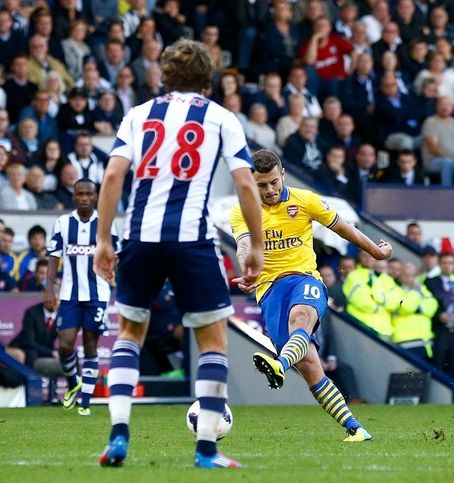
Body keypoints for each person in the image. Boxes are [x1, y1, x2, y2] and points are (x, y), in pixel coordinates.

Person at [93, 39, 264, 468]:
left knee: (130, 333)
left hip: (140, 236)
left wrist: (103, 239)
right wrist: (256, 246)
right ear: (209, 80)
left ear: (163, 75)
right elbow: (246, 184)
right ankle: (206, 449)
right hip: (192, 239)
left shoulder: (138, 115)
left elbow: (113, 175)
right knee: (212, 342)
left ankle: (118, 436)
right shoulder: (222, 118)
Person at [230, 150, 392, 443]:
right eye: (261, 186)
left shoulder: (306, 200)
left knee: (301, 317)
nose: (269, 190)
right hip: (269, 292)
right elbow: (243, 245)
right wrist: (248, 269)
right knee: (309, 366)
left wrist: (376, 252)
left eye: (273, 183)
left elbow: (345, 229)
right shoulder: (241, 210)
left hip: (305, 279)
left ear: (282, 175)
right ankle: (356, 428)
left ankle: (279, 363)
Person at [46, 179, 119, 417]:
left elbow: (116, 255)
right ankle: (72, 383)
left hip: (97, 294)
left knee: (90, 346)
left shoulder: (106, 224)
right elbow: (54, 256)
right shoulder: (63, 223)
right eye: (80, 194)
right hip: (69, 295)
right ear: (74, 197)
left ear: (95, 196)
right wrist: (49, 289)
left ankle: (85, 402)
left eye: (89, 193)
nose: (85, 198)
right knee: (65, 344)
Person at [9, 284, 63, 403]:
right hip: (25, 349)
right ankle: (32, 397)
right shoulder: (32, 313)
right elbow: (29, 342)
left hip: (44, 350)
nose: (54, 303)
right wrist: (52, 353)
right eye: (51, 299)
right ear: (45, 297)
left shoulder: (62, 315)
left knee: (70, 357)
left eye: (57, 300)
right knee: (31, 354)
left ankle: (76, 397)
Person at [425, 253, 454, 380]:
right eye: (445, 263)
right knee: (438, 365)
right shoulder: (431, 282)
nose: (447, 266)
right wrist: (438, 315)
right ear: (440, 264)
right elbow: (425, 302)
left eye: (451, 263)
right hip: (440, 331)